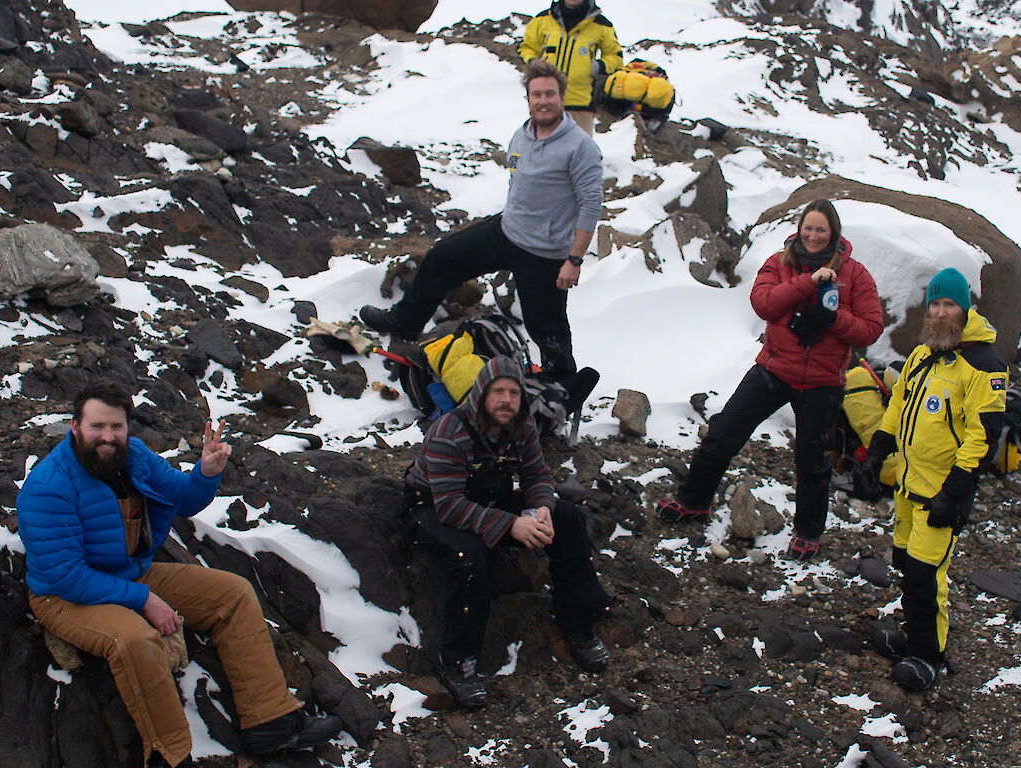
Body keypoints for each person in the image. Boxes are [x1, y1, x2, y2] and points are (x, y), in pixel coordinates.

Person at [17, 382, 342, 767]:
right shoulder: (48, 487)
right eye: (96, 427)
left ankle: (270, 721)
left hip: (128, 574)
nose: (107, 436)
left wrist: (205, 472)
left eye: (116, 427)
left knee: (233, 593)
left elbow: (184, 499)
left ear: (127, 428)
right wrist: (145, 600)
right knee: (135, 639)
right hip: (65, 596)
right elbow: (66, 576)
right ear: (75, 427)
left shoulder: (133, 456)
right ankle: (169, 757)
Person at [654, 200, 884, 561]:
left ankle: (808, 532)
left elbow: (870, 329)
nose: (812, 235)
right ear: (799, 228)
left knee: (812, 460)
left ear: (834, 234)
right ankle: (693, 502)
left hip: (823, 382)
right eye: (808, 228)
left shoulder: (855, 275)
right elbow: (764, 303)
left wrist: (832, 319)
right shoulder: (780, 263)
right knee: (723, 433)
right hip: (774, 370)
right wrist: (809, 283)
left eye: (821, 229)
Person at [360, 59, 603, 379]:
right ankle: (405, 323)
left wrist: (574, 258)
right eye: (536, 94)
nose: (543, 100)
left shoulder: (581, 147)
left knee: (547, 328)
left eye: (550, 94)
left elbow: (591, 203)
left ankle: (561, 384)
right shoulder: (522, 135)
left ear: (562, 97)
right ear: (528, 98)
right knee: (440, 258)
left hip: (545, 254)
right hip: (506, 231)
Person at [403, 356, 613, 709]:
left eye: (514, 392)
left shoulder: (522, 425)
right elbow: (450, 506)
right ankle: (459, 661)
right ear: (481, 393)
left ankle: (578, 622)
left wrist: (541, 508)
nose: (506, 400)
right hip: (431, 505)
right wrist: (510, 524)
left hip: (487, 495)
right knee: (467, 554)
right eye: (497, 391)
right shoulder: (449, 431)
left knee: (569, 518)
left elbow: (536, 475)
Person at [864, 268, 1008, 691]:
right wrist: (878, 450)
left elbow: (983, 436)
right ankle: (914, 636)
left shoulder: (982, 365)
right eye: (936, 305)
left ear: (965, 309)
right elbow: (898, 403)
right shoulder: (923, 354)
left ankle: (929, 657)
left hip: (942, 492)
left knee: (928, 575)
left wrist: (957, 492)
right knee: (907, 565)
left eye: (950, 305)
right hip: (909, 487)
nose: (942, 312)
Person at [517, 0, 622, 135]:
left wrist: (595, 67)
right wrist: (533, 63)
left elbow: (615, 57)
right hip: (546, 104)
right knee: (542, 153)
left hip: (581, 105)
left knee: (581, 154)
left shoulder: (602, 25)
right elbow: (526, 47)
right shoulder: (543, 19)